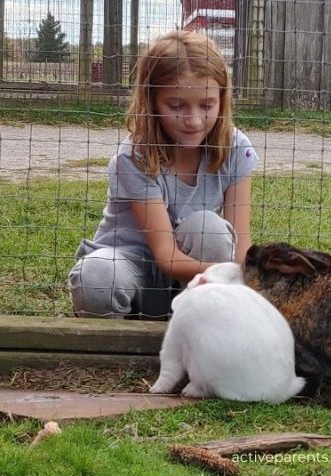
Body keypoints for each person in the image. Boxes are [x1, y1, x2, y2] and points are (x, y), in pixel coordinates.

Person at [68, 30, 257, 319]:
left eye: (207, 105)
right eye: (177, 106)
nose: (193, 120)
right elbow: (166, 257)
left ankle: (195, 323)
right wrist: (231, 275)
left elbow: (241, 248)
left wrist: (246, 276)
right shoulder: (134, 155)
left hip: (193, 276)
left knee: (210, 229)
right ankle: (125, 331)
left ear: (222, 99)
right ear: (152, 101)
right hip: (130, 264)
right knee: (95, 278)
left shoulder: (236, 148)